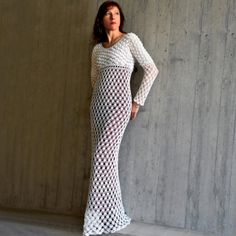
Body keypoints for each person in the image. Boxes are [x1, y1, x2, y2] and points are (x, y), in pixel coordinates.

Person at [83, 1, 159, 235]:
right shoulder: (97, 49)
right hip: (98, 107)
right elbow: (94, 81)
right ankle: (110, 214)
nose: (113, 17)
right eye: (108, 13)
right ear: (101, 19)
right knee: (106, 160)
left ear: (121, 17)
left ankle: (95, 215)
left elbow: (151, 68)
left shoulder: (130, 40)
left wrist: (137, 102)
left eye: (116, 13)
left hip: (119, 106)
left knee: (101, 155)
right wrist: (100, 98)